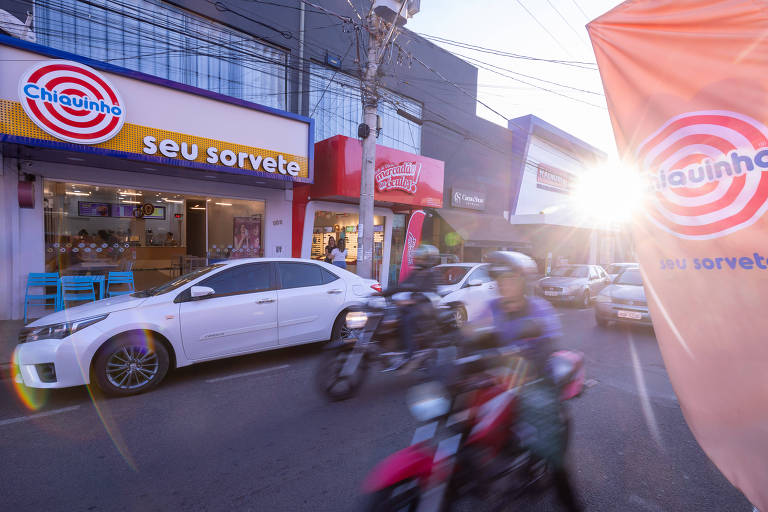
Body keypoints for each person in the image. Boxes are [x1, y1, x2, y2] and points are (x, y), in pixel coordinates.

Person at [476, 251, 582, 512]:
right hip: (498, 379)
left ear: (523, 281)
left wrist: (520, 353)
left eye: (509, 278)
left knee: (550, 450)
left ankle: (570, 503)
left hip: (535, 382)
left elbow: (546, 344)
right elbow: (474, 331)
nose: (502, 283)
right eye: (498, 278)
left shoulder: (539, 308)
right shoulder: (493, 307)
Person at [382, 244, 441, 370]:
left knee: (408, 319)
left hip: (426, 308)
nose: (418, 260)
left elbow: (431, 293)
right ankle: (397, 348)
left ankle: (410, 354)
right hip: (415, 306)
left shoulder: (433, 274)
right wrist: (382, 293)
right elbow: (402, 286)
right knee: (392, 318)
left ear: (429, 260)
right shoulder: (416, 273)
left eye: (421, 258)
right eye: (418, 257)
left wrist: (411, 302)